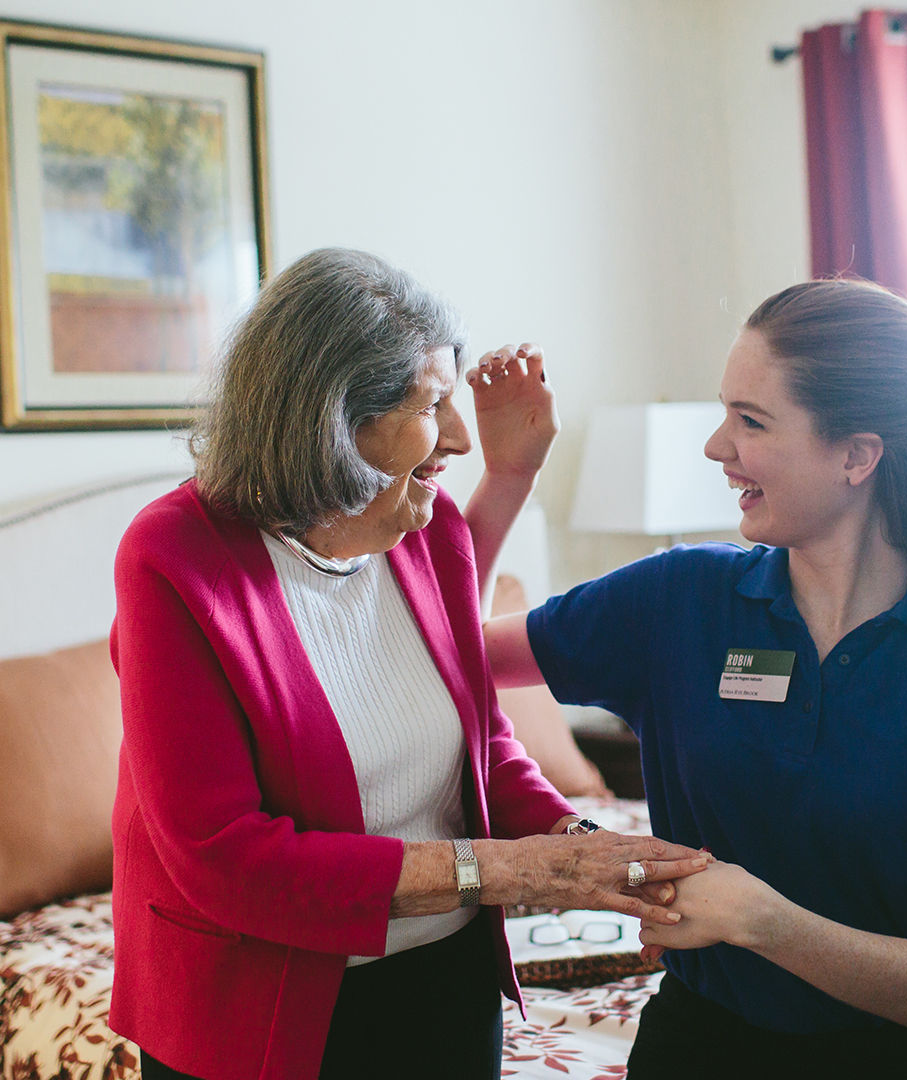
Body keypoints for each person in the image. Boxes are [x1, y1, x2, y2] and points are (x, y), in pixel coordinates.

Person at [107, 247, 710, 1080]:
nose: (462, 436)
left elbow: (486, 750)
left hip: (445, 983)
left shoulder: (429, 534)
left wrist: (584, 845)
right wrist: (506, 868)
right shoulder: (174, 558)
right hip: (257, 1009)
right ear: (334, 420)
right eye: (434, 403)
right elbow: (223, 858)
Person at [485, 278, 907, 1078]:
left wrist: (756, 917)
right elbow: (444, 658)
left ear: (856, 455)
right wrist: (507, 480)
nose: (716, 447)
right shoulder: (677, 600)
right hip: (699, 1048)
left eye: (751, 421)